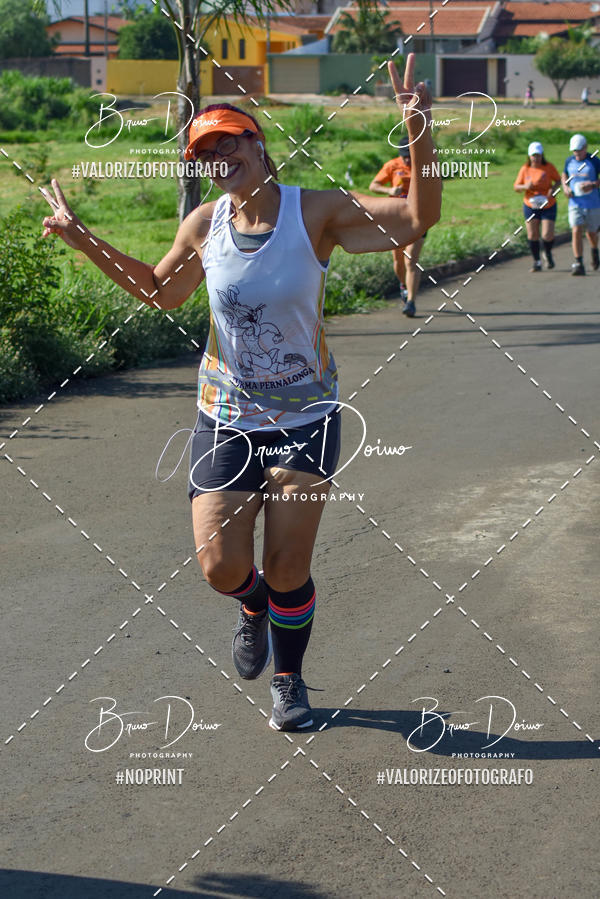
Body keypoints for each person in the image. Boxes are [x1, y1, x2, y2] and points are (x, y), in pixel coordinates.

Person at [41, 54, 441, 732]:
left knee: (289, 563)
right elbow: (161, 291)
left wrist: (419, 131)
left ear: (258, 144)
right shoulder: (204, 225)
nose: (219, 155)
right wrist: (84, 240)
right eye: (206, 150)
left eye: (229, 140)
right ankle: (250, 605)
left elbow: (414, 219)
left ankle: (289, 679)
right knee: (220, 566)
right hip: (224, 415)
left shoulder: (315, 213)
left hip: (306, 413)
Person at [369, 138, 428, 316]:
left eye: (410, 156)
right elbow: (374, 185)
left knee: (411, 260)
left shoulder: (424, 166)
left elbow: (437, 187)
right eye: (405, 157)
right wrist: (389, 191)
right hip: (396, 219)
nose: (408, 161)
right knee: (398, 261)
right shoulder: (392, 166)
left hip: (418, 218)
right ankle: (403, 285)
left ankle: (411, 301)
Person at [514, 141, 561, 272]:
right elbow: (516, 187)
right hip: (530, 205)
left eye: (538, 155)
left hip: (548, 204)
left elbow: (558, 180)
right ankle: (537, 261)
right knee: (533, 234)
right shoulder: (525, 169)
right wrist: (525, 187)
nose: (536, 158)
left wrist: (553, 190)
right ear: (529, 156)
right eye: (533, 155)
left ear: (542, 155)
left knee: (547, 234)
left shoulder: (548, 167)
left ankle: (547, 253)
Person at [561, 133, 600, 275]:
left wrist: (593, 184)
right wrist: (566, 188)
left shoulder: (594, 161)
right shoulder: (569, 161)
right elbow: (564, 175)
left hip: (593, 203)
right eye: (574, 151)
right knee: (576, 230)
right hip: (575, 203)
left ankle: (594, 249)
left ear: (585, 148)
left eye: (579, 150)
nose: (577, 153)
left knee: (592, 233)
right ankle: (578, 262)